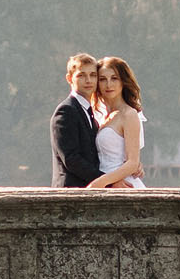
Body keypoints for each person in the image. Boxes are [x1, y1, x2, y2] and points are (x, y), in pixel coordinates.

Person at [88, 56, 148, 189]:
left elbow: (132, 162)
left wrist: (99, 183)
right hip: (108, 185)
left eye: (114, 78)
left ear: (123, 81)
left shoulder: (129, 114)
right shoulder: (100, 116)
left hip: (125, 185)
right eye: (103, 79)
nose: (109, 84)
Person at [50, 53, 103, 187]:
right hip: (70, 192)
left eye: (93, 75)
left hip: (89, 191)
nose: (88, 80)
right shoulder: (66, 111)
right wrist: (106, 181)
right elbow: (71, 159)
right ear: (69, 78)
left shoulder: (90, 111)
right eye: (81, 75)